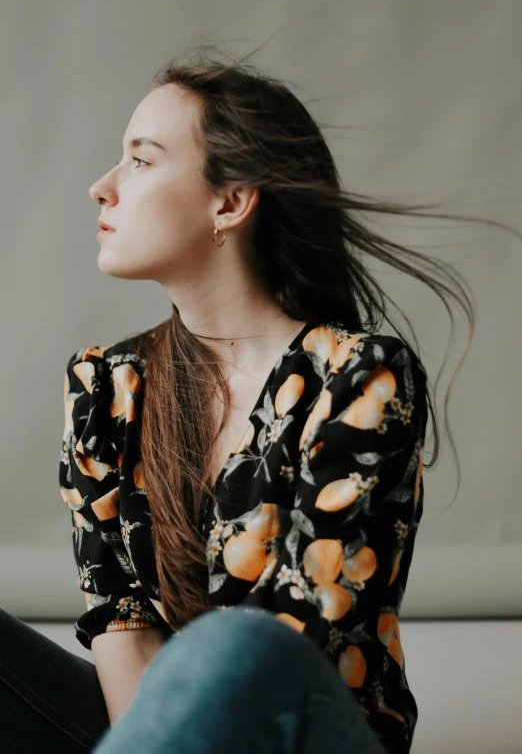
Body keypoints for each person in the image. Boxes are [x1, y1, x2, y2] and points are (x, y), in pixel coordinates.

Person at [1, 44, 484, 754]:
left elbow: (300, 643)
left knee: (230, 645)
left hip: (302, 732)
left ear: (229, 202)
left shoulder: (360, 377)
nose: (102, 186)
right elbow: (122, 624)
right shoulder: (106, 388)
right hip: (160, 736)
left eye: (140, 159)